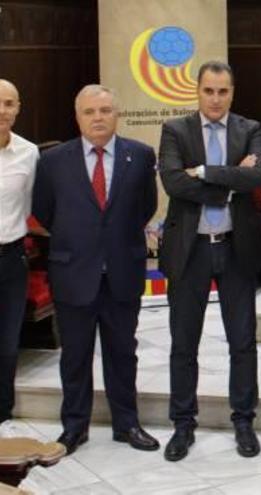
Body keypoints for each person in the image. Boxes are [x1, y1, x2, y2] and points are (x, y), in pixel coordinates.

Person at [32, 84, 159, 455]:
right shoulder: (54, 161)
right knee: (75, 354)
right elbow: (45, 210)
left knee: (123, 351)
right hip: (73, 271)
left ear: (117, 114)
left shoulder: (140, 155)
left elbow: (145, 208)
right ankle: (74, 427)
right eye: (90, 112)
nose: (98, 118)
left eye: (105, 110)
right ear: (78, 117)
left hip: (123, 270)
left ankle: (127, 424)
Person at [158, 61, 261, 461]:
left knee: (243, 342)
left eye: (223, 91)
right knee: (184, 344)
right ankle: (183, 424)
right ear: (198, 91)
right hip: (191, 251)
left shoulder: (249, 129)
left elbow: (255, 178)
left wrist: (203, 172)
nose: (216, 99)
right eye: (209, 91)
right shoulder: (176, 130)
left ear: (232, 92)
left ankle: (243, 421)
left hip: (237, 248)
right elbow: (172, 181)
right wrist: (228, 183)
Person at [0, 79, 38, 435]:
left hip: (10, 256)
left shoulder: (29, 153)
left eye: (9, 103)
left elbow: (30, 205)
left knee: (8, 340)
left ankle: (2, 411)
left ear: (18, 108)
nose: (2, 110)